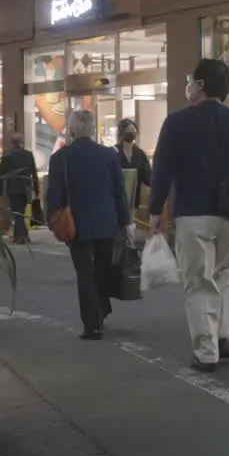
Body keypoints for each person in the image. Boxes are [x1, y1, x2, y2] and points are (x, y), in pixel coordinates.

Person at [148, 59, 229, 372]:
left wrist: (155, 211)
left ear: (200, 86)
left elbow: (162, 171)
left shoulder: (176, 123)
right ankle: (225, 335)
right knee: (228, 272)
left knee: (199, 281)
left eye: (191, 80)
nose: (188, 85)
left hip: (192, 213)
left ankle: (206, 352)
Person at [46, 110, 132, 341]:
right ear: (93, 130)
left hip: (77, 225)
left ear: (71, 130)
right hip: (107, 223)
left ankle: (92, 325)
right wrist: (126, 222)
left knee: (85, 273)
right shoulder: (109, 155)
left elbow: (54, 195)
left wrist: (52, 219)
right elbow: (118, 192)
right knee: (103, 270)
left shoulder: (60, 159)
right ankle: (101, 310)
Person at [0, 132, 38, 244]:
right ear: (21, 142)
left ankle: (21, 236)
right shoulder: (28, 154)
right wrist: (36, 189)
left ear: (11, 142)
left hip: (13, 187)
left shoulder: (8, 155)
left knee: (16, 212)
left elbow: (1, 174)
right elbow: (33, 172)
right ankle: (20, 235)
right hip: (25, 187)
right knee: (21, 211)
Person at [114, 118, 152, 210]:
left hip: (134, 200)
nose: (131, 132)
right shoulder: (113, 151)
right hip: (116, 199)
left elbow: (148, 176)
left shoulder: (139, 153)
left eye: (133, 130)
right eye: (128, 130)